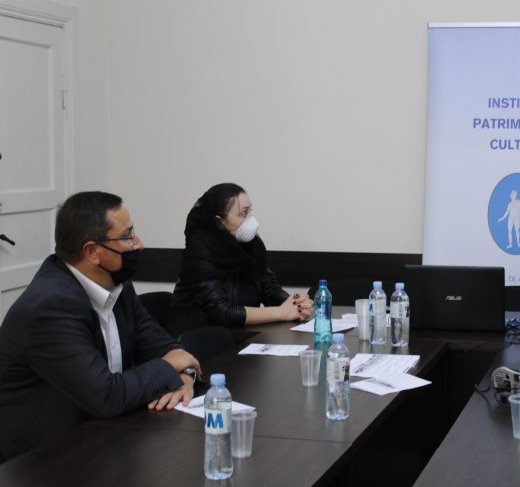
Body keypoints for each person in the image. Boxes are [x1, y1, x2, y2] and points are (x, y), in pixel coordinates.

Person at [0, 192, 201, 464]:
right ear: (92, 251)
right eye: (127, 236)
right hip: (40, 460)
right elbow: (106, 395)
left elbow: (167, 348)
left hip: (103, 438)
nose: (139, 244)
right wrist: (169, 367)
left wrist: (186, 376)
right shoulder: (51, 308)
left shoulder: (117, 285)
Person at [167, 183, 312, 336]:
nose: (251, 219)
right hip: (200, 341)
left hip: (240, 335)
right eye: (243, 213)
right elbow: (222, 312)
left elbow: (269, 289)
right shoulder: (200, 252)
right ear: (219, 221)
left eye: (250, 210)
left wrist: (296, 305)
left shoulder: (248, 243)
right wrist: (282, 312)